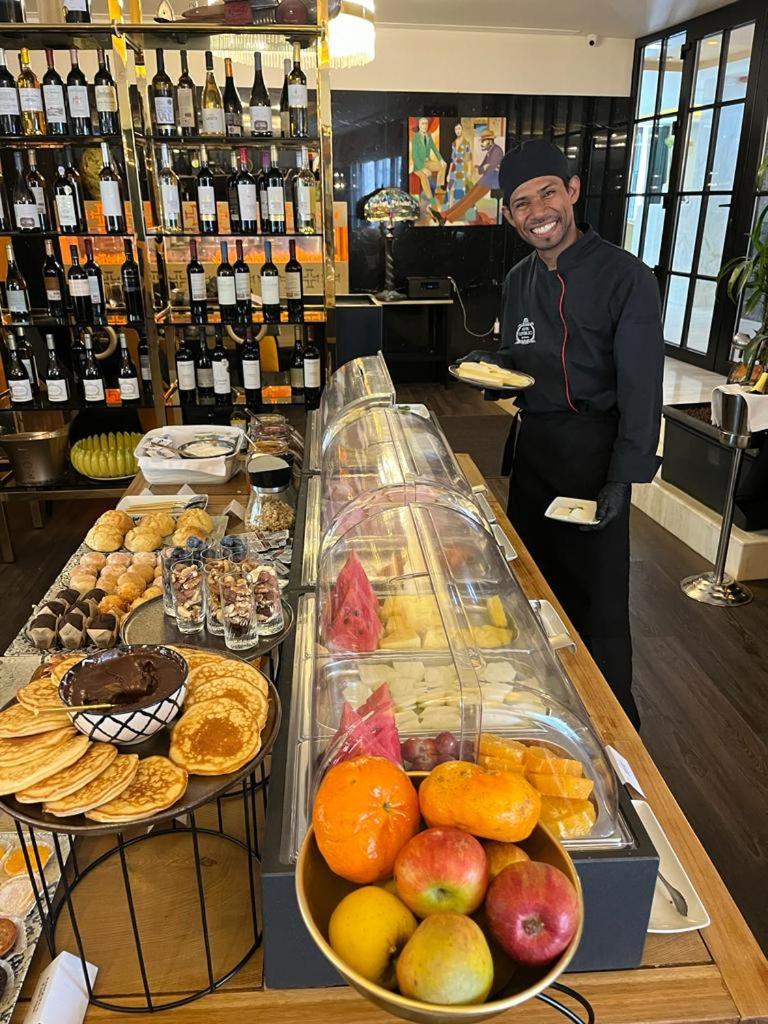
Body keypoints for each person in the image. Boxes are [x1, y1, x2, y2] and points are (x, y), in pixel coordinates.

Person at [461, 139, 664, 728]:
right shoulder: (519, 278)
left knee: (597, 603)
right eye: (522, 203)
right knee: (533, 587)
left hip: (595, 458)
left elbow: (642, 388)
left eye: (548, 193)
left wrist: (623, 479)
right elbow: (522, 360)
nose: (538, 212)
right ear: (509, 215)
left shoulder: (626, 277)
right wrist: (492, 369)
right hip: (535, 454)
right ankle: (541, 713)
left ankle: (615, 732)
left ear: (572, 191)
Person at [432, 128, 504, 224]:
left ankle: (448, 217)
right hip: (486, 179)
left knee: (470, 199)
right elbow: (482, 169)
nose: (482, 143)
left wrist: (484, 168)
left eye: (483, 141)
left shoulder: (497, 150)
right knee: (467, 197)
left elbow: (490, 168)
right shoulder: (490, 151)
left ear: (490, 141)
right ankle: (444, 214)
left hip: (493, 181)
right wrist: (483, 168)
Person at [411, 117, 446, 203]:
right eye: (422, 124)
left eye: (426, 124)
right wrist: (423, 169)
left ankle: (438, 189)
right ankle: (431, 199)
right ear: (419, 125)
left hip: (428, 162)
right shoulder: (415, 137)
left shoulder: (429, 136)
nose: (424, 126)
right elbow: (415, 156)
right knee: (423, 176)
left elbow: (435, 149)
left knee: (443, 166)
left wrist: (441, 160)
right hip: (418, 165)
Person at [446, 122, 474, 206]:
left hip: (462, 168)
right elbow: (452, 160)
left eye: (459, 129)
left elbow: (469, 158)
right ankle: (451, 208)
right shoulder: (453, 143)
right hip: (454, 168)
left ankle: (461, 209)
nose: (457, 131)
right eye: (456, 129)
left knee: (461, 190)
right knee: (450, 189)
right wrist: (448, 174)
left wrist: (469, 170)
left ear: (462, 130)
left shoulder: (466, 143)